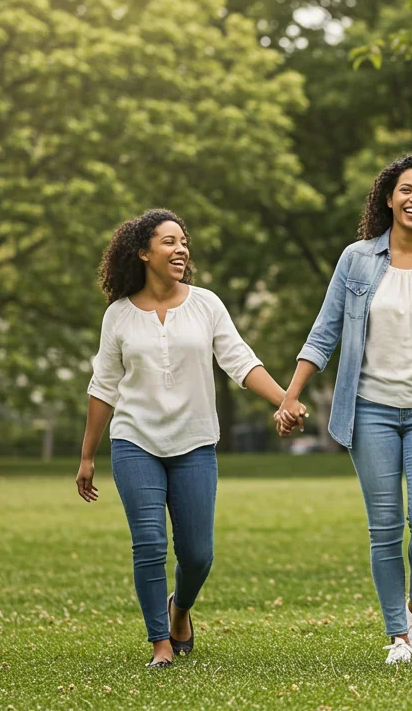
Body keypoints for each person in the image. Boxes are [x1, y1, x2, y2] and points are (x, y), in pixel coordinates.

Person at [275, 154, 412, 664]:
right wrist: (290, 394)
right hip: (371, 410)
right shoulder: (357, 259)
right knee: (385, 527)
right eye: (406, 190)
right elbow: (325, 332)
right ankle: (398, 636)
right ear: (388, 198)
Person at [77, 209, 301, 668]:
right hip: (135, 442)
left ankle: (179, 609)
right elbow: (103, 388)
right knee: (149, 545)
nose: (180, 249)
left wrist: (285, 401)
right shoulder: (118, 315)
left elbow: (240, 361)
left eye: (183, 242)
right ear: (143, 253)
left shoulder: (206, 304)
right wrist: (87, 456)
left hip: (195, 442)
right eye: (169, 242)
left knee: (198, 554)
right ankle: (160, 645)